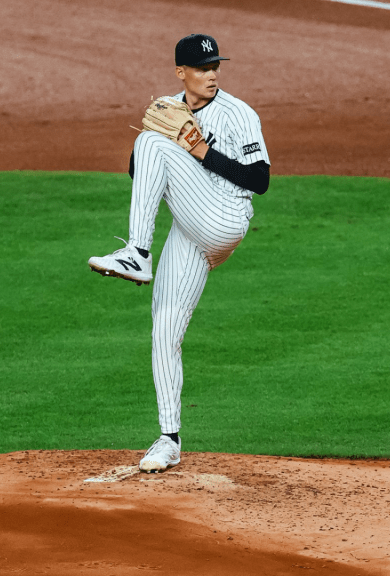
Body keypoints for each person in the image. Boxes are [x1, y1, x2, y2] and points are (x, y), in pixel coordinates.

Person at [88, 33, 271, 472]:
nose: (212, 75)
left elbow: (260, 180)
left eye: (215, 67)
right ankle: (168, 439)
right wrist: (162, 140)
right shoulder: (169, 108)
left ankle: (138, 252)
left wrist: (200, 150)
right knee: (165, 329)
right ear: (180, 72)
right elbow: (138, 171)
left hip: (225, 216)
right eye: (203, 68)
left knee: (152, 143)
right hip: (191, 225)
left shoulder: (239, 113)